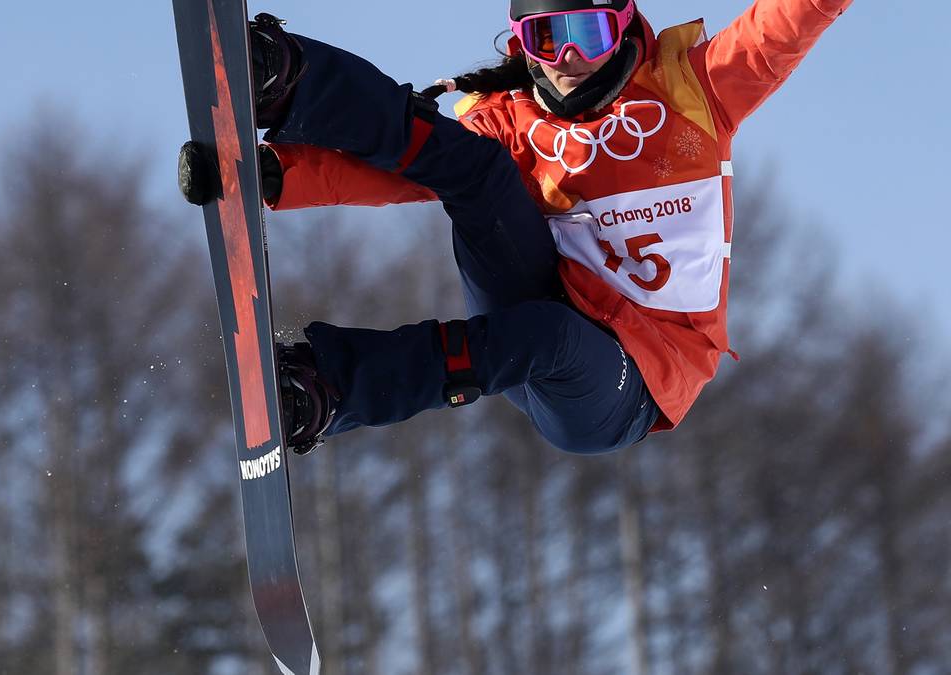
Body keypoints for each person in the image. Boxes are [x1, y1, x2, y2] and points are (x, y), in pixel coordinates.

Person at [179, 1, 853, 454]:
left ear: (623, 26)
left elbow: (785, 21)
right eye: (546, 38)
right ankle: (287, 78)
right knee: (472, 166)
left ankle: (327, 390)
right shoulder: (514, 122)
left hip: (624, 384)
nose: (567, 57)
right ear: (523, 44)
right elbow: (397, 175)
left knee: (551, 336)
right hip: (538, 295)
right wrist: (270, 175)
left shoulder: (696, 91)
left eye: (588, 34)